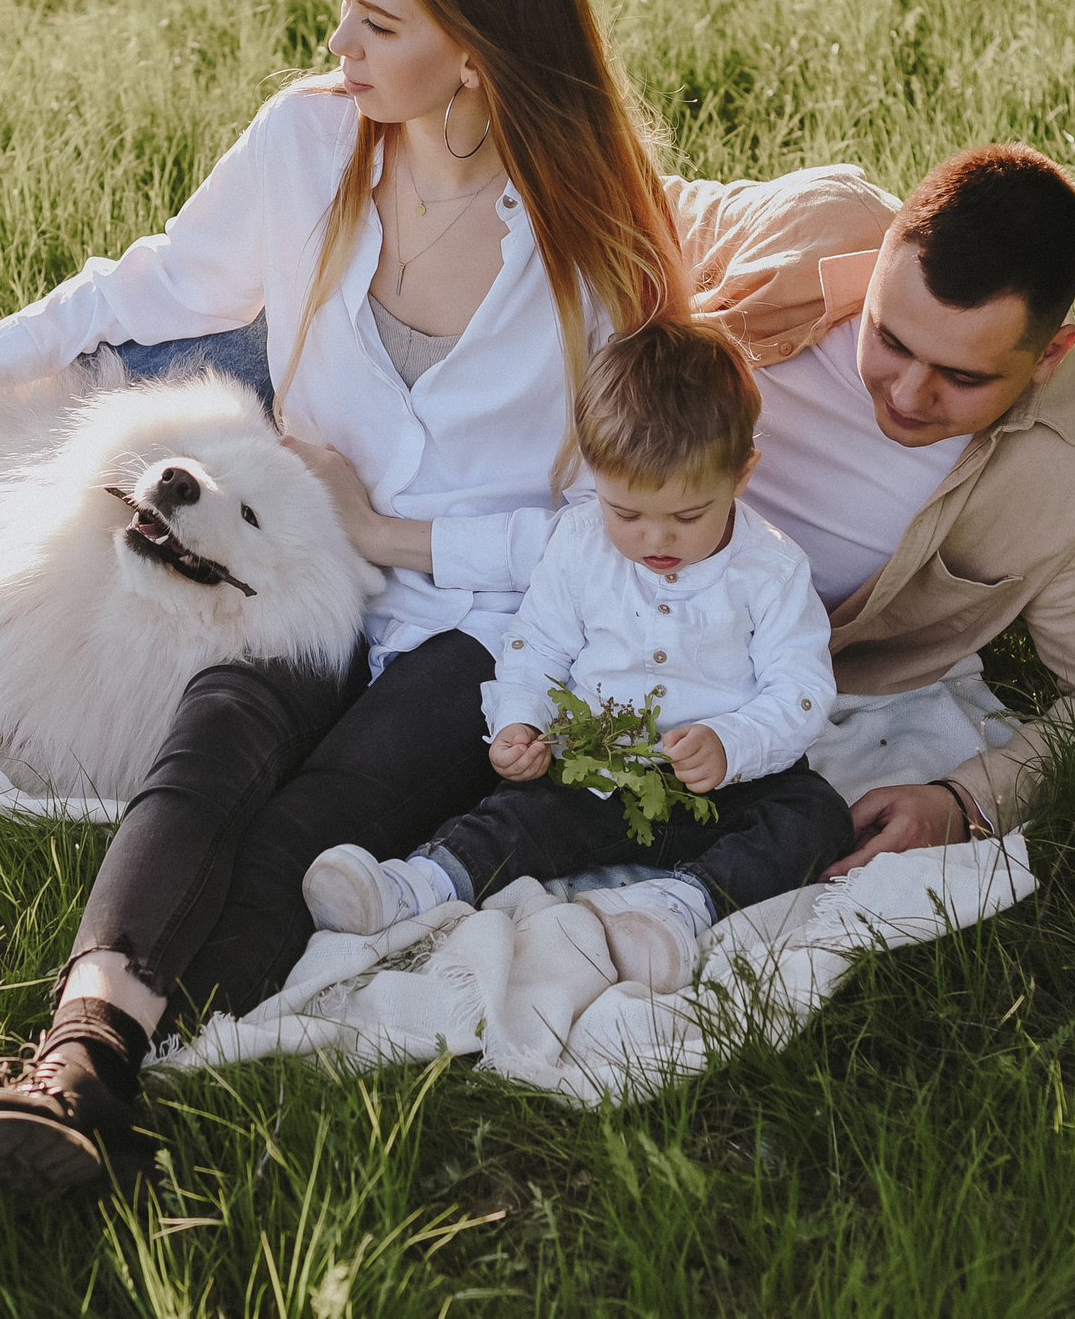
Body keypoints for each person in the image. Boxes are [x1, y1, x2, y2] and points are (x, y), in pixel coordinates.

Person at [0, 0, 690, 1213]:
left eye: (378, 21)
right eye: (341, 2)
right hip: (311, 564)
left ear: (473, 52)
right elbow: (149, 281)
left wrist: (398, 533)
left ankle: (55, 1081)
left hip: (485, 623)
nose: (337, 41)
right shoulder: (308, 141)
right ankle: (70, 1076)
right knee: (215, 735)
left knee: (322, 806)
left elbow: (623, 528)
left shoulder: (601, 245)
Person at [669, 145, 1075, 870]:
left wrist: (962, 801)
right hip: (548, 538)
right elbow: (619, 208)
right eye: (890, 338)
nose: (907, 393)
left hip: (710, 674)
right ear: (883, 251)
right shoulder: (826, 222)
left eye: (961, 377)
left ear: (1049, 355)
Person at [300, 315, 853, 994]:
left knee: (815, 815)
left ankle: (681, 907)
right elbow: (536, 648)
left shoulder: (770, 570)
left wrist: (731, 742)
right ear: (596, 476)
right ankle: (417, 883)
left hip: (732, 783)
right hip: (601, 769)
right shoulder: (580, 545)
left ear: (742, 474)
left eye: (686, 516)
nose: (656, 537)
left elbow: (800, 687)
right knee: (521, 810)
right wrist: (519, 722)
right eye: (628, 513)